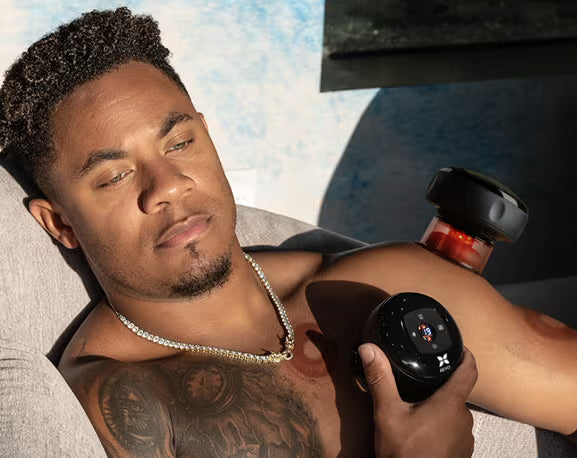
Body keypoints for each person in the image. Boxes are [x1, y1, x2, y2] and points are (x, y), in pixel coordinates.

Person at [0, 7, 575, 457]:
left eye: (180, 143)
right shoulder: (128, 402)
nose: (168, 186)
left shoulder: (379, 288)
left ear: (208, 136)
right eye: (115, 176)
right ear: (61, 223)